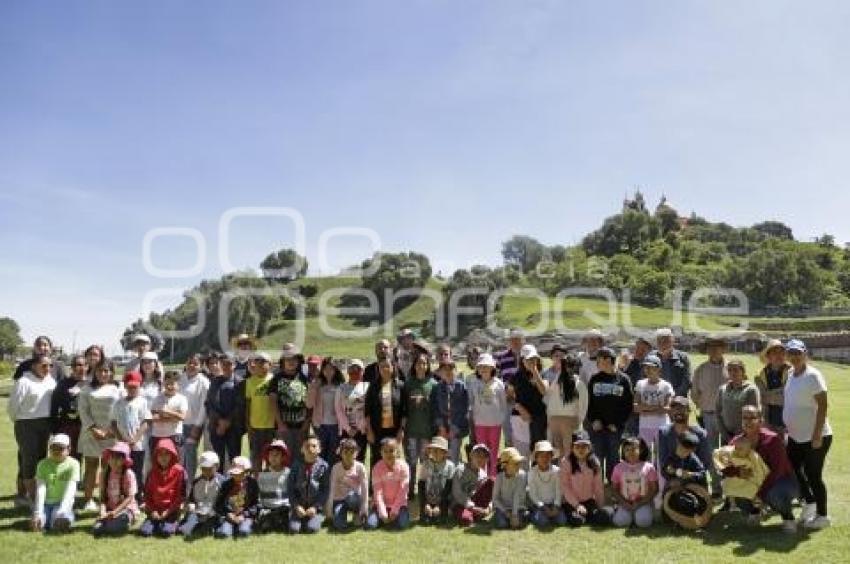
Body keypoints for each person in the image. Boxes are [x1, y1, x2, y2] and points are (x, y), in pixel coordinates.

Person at [783, 339, 833, 530]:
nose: (794, 356)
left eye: (798, 353)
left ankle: (823, 516)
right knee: (794, 470)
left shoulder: (813, 376)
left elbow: (823, 405)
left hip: (815, 437)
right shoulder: (790, 373)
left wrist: (817, 435)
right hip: (796, 437)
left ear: (805, 354)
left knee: (814, 476)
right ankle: (810, 502)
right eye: (791, 353)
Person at [734, 405, 799, 533]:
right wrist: (737, 472)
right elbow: (728, 466)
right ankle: (755, 512)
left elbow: (777, 471)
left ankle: (788, 519)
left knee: (774, 495)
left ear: (761, 420)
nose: (748, 421)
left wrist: (759, 493)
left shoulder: (772, 439)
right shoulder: (737, 441)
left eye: (752, 418)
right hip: (756, 482)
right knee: (737, 490)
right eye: (745, 418)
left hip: (782, 481)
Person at [9, 352, 56, 507]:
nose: (47, 368)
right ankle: (33, 498)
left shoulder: (51, 381)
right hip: (26, 424)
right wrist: (20, 421)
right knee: (29, 460)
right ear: (34, 365)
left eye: (50, 365)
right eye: (44, 365)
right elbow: (13, 407)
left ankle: (36, 496)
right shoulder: (24, 381)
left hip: (45, 423)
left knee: (42, 459)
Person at [78, 360, 121, 512]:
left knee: (108, 469)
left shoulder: (117, 389)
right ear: (94, 372)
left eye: (106, 371)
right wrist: (93, 429)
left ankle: (105, 498)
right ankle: (88, 500)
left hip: (111, 434)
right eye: (100, 371)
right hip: (91, 434)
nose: (103, 374)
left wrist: (110, 431)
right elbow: (83, 411)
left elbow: (121, 410)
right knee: (91, 467)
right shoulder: (86, 389)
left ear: (111, 373)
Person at [587, 347, 634, 481]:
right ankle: (597, 487)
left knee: (613, 458)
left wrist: (618, 424)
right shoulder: (595, 379)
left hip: (615, 429)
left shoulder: (623, 380)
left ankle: (613, 487)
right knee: (597, 458)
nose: (597, 363)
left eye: (599, 359)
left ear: (608, 360)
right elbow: (589, 403)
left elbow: (628, 406)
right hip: (597, 428)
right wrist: (594, 420)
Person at [690, 337, 728, 494]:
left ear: (722, 349)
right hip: (708, 415)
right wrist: (703, 404)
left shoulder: (731, 367)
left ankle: (730, 488)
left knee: (728, 452)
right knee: (711, 452)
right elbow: (694, 393)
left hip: (728, 417)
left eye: (717, 347)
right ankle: (717, 487)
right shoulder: (701, 369)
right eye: (710, 347)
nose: (713, 350)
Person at [657, 397, 713, 494]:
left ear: (689, 411)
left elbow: (706, 463)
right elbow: (663, 462)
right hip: (673, 481)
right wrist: (674, 478)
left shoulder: (700, 434)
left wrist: (689, 477)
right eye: (674, 408)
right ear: (670, 412)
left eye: (682, 408)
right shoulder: (664, 433)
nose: (678, 411)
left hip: (696, 481)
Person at [111, 371, 151, 497]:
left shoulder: (142, 402)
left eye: (135, 386)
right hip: (122, 445)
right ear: (125, 386)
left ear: (140, 386)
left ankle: (137, 495)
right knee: (122, 469)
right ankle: (123, 494)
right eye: (130, 386)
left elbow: (145, 422)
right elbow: (113, 423)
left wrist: (135, 438)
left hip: (137, 445)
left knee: (137, 470)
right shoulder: (118, 403)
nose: (132, 389)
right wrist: (121, 439)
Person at [467, 352, 507, 477]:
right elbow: (471, 402)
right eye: (481, 366)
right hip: (479, 423)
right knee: (481, 452)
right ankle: (482, 478)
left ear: (492, 368)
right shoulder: (474, 383)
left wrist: (500, 419)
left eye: (486, 366)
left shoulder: (499, 383)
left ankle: (492, 479)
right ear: (477, 369)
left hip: (495, 423)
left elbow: (503, 404)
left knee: (493, 452)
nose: (483, 369)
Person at [542, 349, 587, 459]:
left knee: (558, 454)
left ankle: (561, 475)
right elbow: (583, 407)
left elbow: (547, 401)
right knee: (569, 455)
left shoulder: (557, 382)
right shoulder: (579, 384)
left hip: (555, 420)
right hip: (570, 421)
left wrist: (550, 420)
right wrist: (578, 423)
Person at [661, 432, 711, 529]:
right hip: (674, 491)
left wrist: (691, 475)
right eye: (681, 449)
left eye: (687, 451)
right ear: (677, 443)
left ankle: (693, 519)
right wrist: (670, 474)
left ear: (692, 450)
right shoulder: (670, 458)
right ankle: (677, 520)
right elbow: (664, 471)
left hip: (690, 490)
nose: (683, 453)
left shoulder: (693, 459)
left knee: (693, 502)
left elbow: (702, 473)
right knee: (675, 501)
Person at [270, 346, 310, 465]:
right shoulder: (276, 379)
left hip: (301, 426)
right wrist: (280, 424)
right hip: (284, 426)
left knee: (300, 457)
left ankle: (297, 483)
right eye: (288, 359)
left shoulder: (304, 378)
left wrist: (307, 422)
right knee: (284, 457)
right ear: (283, 361)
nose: (291, 362)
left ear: (298, 361)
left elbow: (310, 402)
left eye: (294, 359)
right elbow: (272, 402)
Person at [402, 350, 435, 495]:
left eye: (424, 363)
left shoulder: (433, 384)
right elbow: (403, 409)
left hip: (427, 432)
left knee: (426, 463)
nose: (421, 366)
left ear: (428, 366)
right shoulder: (408, 384)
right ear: (414, 366)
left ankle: (424, 490)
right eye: (418, 363)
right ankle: (410, 490)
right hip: (411, 431)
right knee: (411, 462)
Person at [560, 431, 609, 527]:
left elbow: (598, 487)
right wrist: (577, 505)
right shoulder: (566, 462)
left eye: (584, 446)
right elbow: (565, 486)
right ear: (572, 448)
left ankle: (588, 515)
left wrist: (600, 506)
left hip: (588, 501)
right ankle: (581, 516)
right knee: (576, 520)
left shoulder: (595, 463)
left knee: (603, 517)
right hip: (571, 502)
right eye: (577, 447)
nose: (580, 450)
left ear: (589, 448)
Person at [31, 434, 79, 533]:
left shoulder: (73, 464)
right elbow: (41, 489)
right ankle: (44, 520)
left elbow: (71, 489)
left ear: (69, 449)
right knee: (38, 523)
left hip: (62, 503)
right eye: (53, 447)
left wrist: (62, 510)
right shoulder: (42, 464)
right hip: (45, 504)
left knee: (59, 522)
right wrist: (38, 512)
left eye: (61, 448)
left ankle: (64, 518)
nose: (56, 451)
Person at [364, 358, 406, 469]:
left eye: (388, 366)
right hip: (377, 431)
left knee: (394, 461)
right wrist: (369, 431)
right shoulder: (373, 387)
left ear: (393, 368)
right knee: (376, 462)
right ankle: (374, 486)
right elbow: (367, 411)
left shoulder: (400, 386)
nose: (385, 369)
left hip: (394, 431)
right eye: (382, 367)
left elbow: (404, 411)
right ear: (379, 369)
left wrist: (401, 430)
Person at [141, 437, 187, 537]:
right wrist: (153, 511)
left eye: (167, 453)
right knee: (145, 532)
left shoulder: (179, 471)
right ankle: (154, 522)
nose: (163, 457)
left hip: (171, 510)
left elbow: (180, 496)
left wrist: (168, 511)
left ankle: (172, 523)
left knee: (167, 532)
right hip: (155, 510)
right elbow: (147, 495)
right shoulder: (152, 472)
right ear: (156, 456)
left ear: (172, 454)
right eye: (160, 454)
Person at [712, 436, 768, 519]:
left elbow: (760, 469)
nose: (737, 451)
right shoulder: (730, 454)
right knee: (729, 487)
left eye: (741, 449)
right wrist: (728, 467)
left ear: (749, 449)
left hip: (749, 480)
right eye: (736, 448)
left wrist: (759, 482)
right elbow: (718, 456)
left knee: (753, 494)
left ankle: (759, 508)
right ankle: (733, 504)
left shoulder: (753, 457)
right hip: (734, 480)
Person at [508, 344, 547, 460]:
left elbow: (544, 391)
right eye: (528, 359)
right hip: (520, 419)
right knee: (522, 455)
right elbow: (509, 397)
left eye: (534, 358)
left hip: (539, 420)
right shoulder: (515, 377)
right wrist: (519, 407)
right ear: (522, 360)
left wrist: (535, 371)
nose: (532, 361)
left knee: (538, 453)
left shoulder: (543, 374)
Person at [239, 351, 276, 471]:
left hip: (272, 426)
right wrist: (247, 424)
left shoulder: (275, 380)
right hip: (255, 426)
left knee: (272, 456)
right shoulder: (249, 381)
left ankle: (270, 480)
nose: (260, 364)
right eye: (257, 361)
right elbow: (248, 404)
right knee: (256, 456)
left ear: (270, 365)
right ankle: (256, 481)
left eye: (263, 361)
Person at [287, 434, 330, 534]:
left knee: (312, 529)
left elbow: (325, 490)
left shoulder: (324, 467)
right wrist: (296, 506)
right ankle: (296, 518)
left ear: (319, 449)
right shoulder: (296, 465)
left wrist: (315, 507)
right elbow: (290, 488)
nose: (310, 449)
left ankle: (317, 518)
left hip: (315, 508)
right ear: (302, 449)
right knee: (293, 530)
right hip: (299, 506)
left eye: (314, 446)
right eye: (307, 446)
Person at [206, 352, 243, 468]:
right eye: (223, 364)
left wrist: (227, 422)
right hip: (216, 427)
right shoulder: (215, 381)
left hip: (234, 427)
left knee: (235, 460)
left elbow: (240, 406)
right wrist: (219, 422)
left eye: (229, 364)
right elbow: (209, 404)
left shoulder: (241, 382)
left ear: (235, 364)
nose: (226, 366)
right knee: (217, 461)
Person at [611, 436, 658, 529]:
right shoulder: (618, 467)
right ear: (623, 452)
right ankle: (621, 511)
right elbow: (614, 489)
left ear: (641, 450)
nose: (630, 452)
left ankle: (641, 514)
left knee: (644, 523)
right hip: (625, 503)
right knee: (620, 522)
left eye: (633, 449)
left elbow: (654, 489)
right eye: (627, 450)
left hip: (643, 503)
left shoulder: (649, 467)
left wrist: (640, 503)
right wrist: (624, 503)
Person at [93, 442, 138, 537]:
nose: (114, 461)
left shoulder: (129, 474)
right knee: (97, 529)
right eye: (112, 457)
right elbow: (103, 497)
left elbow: (130, 497)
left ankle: (114, 523)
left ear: (124, 460)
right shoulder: (104, 474)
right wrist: (102, 511)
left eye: (118, 458)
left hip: (125, 509)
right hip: (109, 509)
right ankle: (109, 524)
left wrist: (115, 512)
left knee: (121, 520)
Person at [430, 355, 470, 464]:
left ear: (455, 370)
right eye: (444, 369)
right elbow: (435, 408)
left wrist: (455, 428)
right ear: (440, 372)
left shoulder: (462, 387)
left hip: (456, 428)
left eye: (450, 369)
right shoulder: (437, 388)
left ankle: (454, 478)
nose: (448, 372)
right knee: (442, 454)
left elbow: (464, 408)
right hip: (442, 428)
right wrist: (441, 426)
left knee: (454, 455)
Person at [633, 354, 674, 457]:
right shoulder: (640, 384)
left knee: (661, 455)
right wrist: (657, 407)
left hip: (662, 426)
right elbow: (636, 407)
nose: (648, 370)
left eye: (651, 367)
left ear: (658, 369)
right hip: (645, 426)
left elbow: (667, 408)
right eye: (646, 367)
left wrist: (646, 409)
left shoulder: (666, 386)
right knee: (644, 455)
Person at [366, 438, 411, 530]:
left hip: (399, 505)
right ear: (381, 452)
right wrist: (383, 513)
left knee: (403, 525)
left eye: (391, 451)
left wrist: (394, 510)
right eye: (385, 451)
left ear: (397, 451)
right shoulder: (376, 468)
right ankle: (381, 517)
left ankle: (394, 517)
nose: (388, 454)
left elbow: (403, 491)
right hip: (380, 504)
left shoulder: (404, 467)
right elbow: (378, 493)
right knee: (370, 525)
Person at [50, 353, 88, 460]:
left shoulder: (90, 384)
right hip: (68, 426)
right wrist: (55, 429)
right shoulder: (63, 384)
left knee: (88, 460)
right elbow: (54, 407)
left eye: (84, 365)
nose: (81, 368)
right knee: (67, 458)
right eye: (78, 365)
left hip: (87, 427)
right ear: (72, 367)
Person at [180, 354, 210, 484]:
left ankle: (190, 487)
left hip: (194, 425)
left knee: (191, 456)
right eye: (189, 362)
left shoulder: (203, 381)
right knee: (181, 457)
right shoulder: (180, 379)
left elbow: (205, 406)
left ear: (201, 366)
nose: (192, 366)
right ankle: (180, 485)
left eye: (195, 363)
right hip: (179, 424)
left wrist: (198, 426)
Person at [309, 357, 345, 465]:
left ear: (336, 370)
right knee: (320, 455)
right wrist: (314, 387)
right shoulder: (317, 384)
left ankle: (330, 479)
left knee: (333, 456)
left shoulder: (341, 385)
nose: (328, 371)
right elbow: (309, 404)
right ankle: (321, 480)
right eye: (326, 369)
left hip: (335, 426)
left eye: (331, 369)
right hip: (320, 426)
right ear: (322, 370)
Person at [180, 451, 223, 538]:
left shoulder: (222, 482)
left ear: (217, 466)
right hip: (198, 513)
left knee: (205, 531)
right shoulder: (196, 481)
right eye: (203, 469)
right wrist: (189, 506)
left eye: (209, 468)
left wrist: (212, 512)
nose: (206, 471)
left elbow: (223, 503)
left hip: (214, 514)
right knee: (182, 530)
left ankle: (209, 526)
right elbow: (191, 500)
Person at [214, 456, 259, 539]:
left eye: (239, 474)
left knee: (244, 532)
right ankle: (228, 528)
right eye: (234, 474)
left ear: (246, 472)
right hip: (230, 516)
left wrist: (245, 515)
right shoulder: (226, 484)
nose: (236, 476)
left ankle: (241, 527)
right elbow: (219, 504)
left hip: (245, 516)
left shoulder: (252, 484)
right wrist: (228, 514)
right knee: (224, 534)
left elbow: (255, 504)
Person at [716, 359, 760, 442]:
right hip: (726, 436)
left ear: (742, 372)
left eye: (736, 370)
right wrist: (724, 434)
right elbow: (718, 412)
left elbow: (754, 415)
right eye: (730, 370)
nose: (733, 373)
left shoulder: (751, 390)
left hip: (745, 436)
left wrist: (744, 435)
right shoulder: (722, 389)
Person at [330, 438, 369, 531]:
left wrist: (364, 505)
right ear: (341, 453)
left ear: (357, 453)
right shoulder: (335, 468)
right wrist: (329, 506)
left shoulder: (360, 467)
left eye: (352, 452)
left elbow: (365, 488)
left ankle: (357, 513)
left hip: (354, 499)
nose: (348, 454)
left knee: (350, 496)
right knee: (339, 525)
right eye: (345, 451)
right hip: (340, 500)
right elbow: (332, 488)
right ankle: (342, 517)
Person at [495, 328, 525, 447]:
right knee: (508, 433)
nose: (515, 343)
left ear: (523, 341)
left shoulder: (528, 356)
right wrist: (506, 391)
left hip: (525, 401)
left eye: (518, 340)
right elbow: (496, 379)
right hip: (507, 401)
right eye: (512, 340)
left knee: (524, 436)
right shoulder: (501, 357)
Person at [451, 443, 494, 527]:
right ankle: (472, 514)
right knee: (466, 520)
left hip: (474, 502)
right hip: (461, 504)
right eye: (477, 455)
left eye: (484, 457)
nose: (480, 459)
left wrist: (489, 509)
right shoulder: (460, 469)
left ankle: (478, 513)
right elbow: (457, 493)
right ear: (471, 455)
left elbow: (491, 495)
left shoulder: (483, 474)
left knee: (491, 481)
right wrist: (472, 508)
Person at [336, 359, 370, 462]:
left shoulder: (367, 387)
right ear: (348, 371)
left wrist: (360, 427)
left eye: (358, 369)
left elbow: (368, 409)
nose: (355, 371)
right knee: (344, 457)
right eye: (352, 369)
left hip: (361, 430)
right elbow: (338, 410)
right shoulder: (341, 388)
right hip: (346, 431)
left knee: (360, 457)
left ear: (362, 371)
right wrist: (348, 428)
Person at [418, 436, 455, 526]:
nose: (434, 453)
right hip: (428, 499)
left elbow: (449, 489)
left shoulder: (450, 466)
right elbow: (421, 485)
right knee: (425, 521)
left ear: (445, 453)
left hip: (443, 500)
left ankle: (444, 513)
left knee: (440, 521)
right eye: (432, 450)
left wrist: (439, 505)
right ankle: (427, 511)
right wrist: (425, 503)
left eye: (438, 450)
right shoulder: (425, 464)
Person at [528, 440, 566, 528]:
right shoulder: (532, 472)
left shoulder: (556, 471)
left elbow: (558, 490)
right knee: (543, 522)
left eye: (548, 456)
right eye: (541, 456)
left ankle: (552, 514)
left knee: (562, 521)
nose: (544, 459)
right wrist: (543, 507)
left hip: (553, 503)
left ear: (552, 457)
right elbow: (533, 494)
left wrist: (556, 506)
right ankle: (534, 514)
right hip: (539, 504)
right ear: (536, 458)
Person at [255, 439, 291, 533]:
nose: (273, 457)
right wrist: (261, 508)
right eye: (271, 455)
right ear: (267, 457)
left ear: (283, 457)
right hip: (268, 508)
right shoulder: (262, 475)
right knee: (265, 527)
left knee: (288, 526)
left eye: (277, 455)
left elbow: (292, 493)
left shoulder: (288, 473)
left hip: (284, 507)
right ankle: (269, 520)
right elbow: (259, 494)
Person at [755, 339, 790, 433]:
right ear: (768, 356)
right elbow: (761, 399)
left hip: (789, 422)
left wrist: (767, 395)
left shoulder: (791, 371)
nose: (779, 355)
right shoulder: (761, 374)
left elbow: (787, 397)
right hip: (769, 421)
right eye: (775, 352)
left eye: (782, 352)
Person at [149, 371, 188, 452]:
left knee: (176, 462)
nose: (169, 386)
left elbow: (182, 417)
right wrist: (174, 417)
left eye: (172, 384)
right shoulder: (157, 398)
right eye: (167, 384)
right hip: (157, 435)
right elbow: (153, 418)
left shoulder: (182, 399)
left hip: (174, 435)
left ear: (178, 385)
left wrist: (167, 412)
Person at [492, 447, 528, 530]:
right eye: (515, 463)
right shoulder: (499, 478)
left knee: (518, 522)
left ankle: (522, 515)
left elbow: (517, 495)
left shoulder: (522, 475)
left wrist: (514, 515)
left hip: (518, 507)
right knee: (502, 524)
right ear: (505, 465)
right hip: (503, 508)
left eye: (519, 463)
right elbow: (495, 499)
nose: (519, 465)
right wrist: (506, 512)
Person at [653, 328, 691, 398]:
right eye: (659, 341)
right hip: (656, 398)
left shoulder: (683, 357)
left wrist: (673, 396)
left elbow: (686, 381)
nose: (662, 344)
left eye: (666, 341)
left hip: (677, 399)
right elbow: (645, 379)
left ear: (672, 341)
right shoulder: (651, 357)